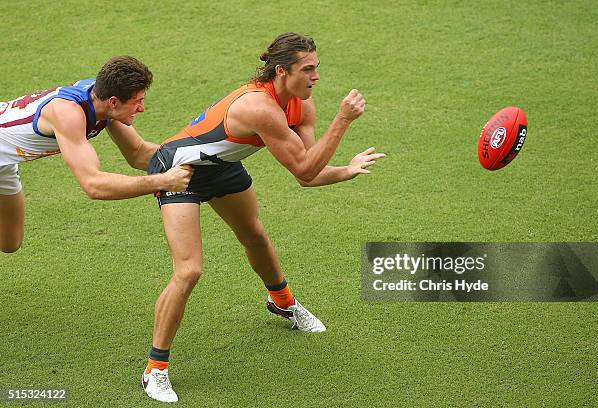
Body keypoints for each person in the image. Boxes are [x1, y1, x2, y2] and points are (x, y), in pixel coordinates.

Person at [142, 33, 385, 403]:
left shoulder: (300, 104)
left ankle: (283, 302)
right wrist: (343, 121)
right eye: (308, 69)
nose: (316, 76)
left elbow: (309, 170)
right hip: (179, 170)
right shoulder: (260, 108)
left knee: (254, 235)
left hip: (223, 168)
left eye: (317, 67)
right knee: (189, 270)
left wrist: (346, 170)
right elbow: (305, 170)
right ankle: (155, 370)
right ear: (282, 70)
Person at [0, 56, 193, 253]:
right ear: (114, 102)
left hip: (5, 163)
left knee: (9, 243)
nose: (142, 109)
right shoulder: (68, 113)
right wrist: (163, 181)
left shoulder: (104, 99)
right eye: (138, 102)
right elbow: (93, 185)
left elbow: (138, 153)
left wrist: (197, 158)